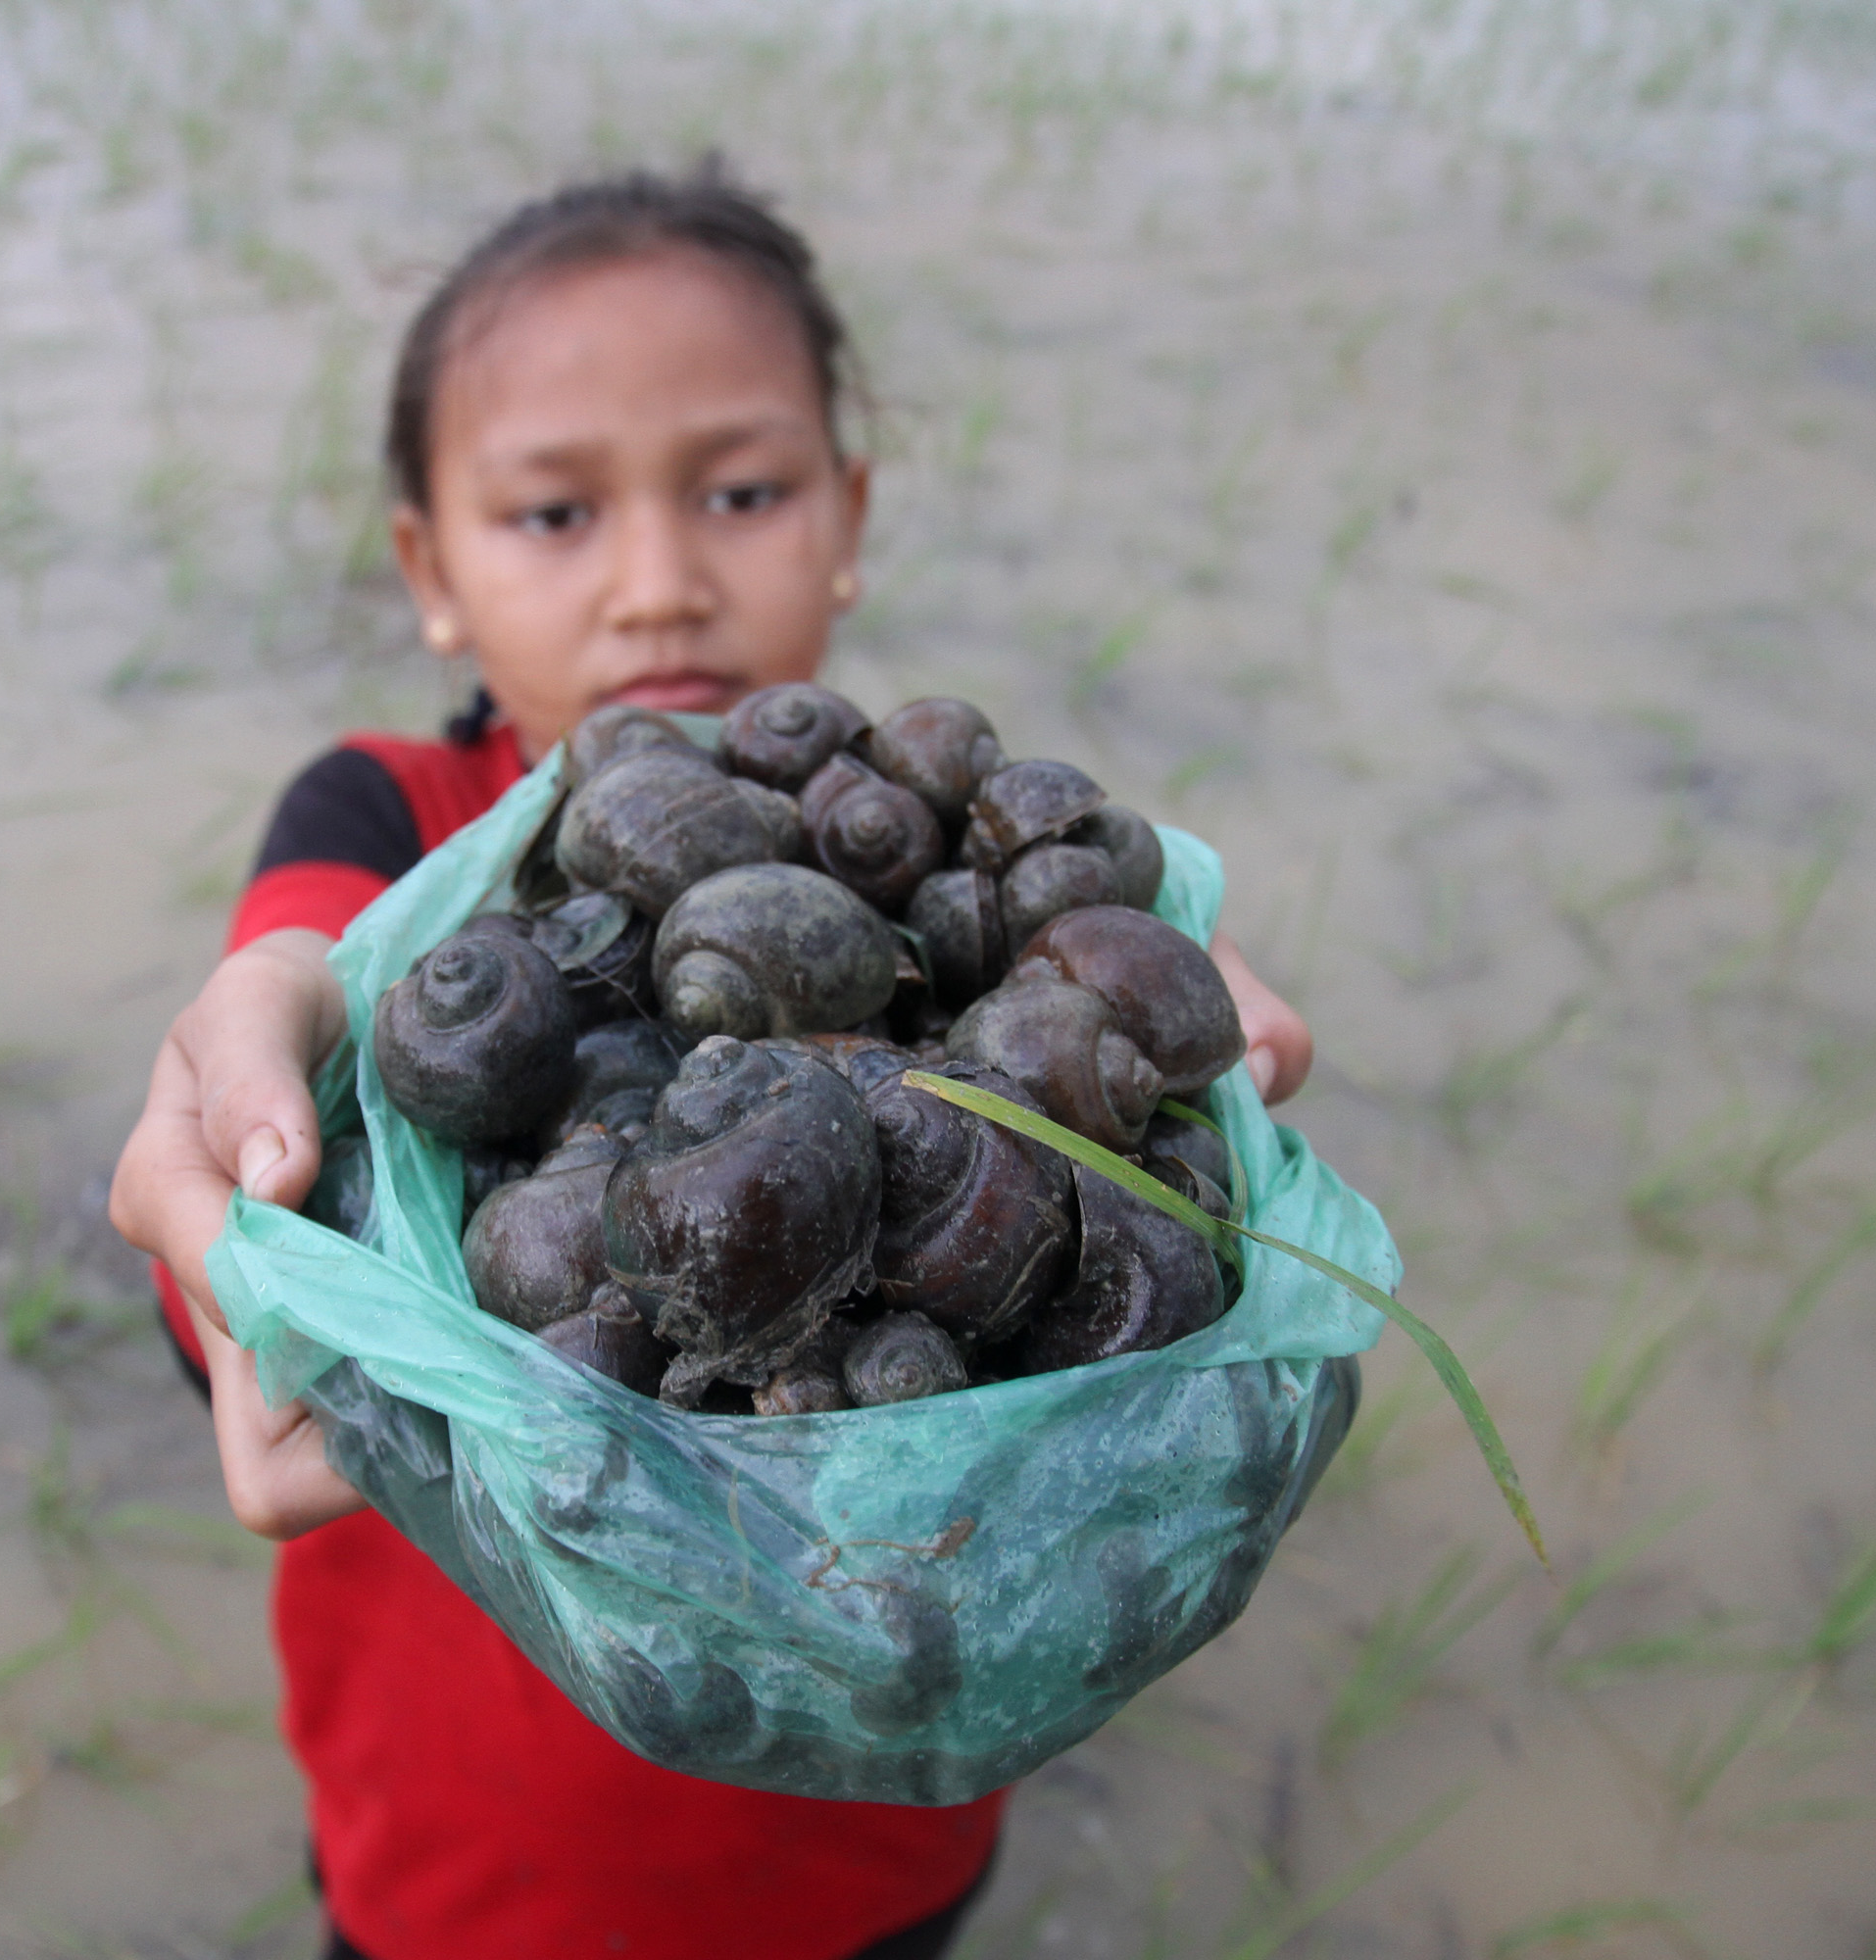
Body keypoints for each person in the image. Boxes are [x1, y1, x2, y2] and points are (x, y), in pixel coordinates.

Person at [109, 166, 1318, 1960]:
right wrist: (245, 1166)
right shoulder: (376, 822)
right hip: (467, 1868)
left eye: (741, 491)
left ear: (849, 515)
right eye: (554, 513)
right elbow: (266, 1067)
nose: (659, 585)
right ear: (430, 569)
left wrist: (1110, 989)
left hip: (870, 1850)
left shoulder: (922, 830)